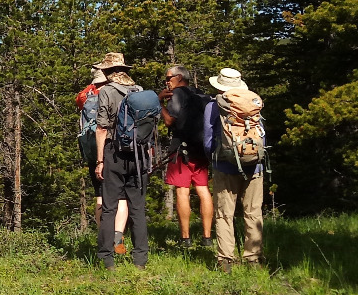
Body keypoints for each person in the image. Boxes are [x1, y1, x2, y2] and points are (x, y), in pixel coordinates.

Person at [91, 52, 155, 269]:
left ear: (108, 72)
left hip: (114, 152)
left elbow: (101, 127)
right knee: (137, 208)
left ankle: (106, 259)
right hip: (139, 155)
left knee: (109, 208)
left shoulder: (106, 92)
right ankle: (140, 260)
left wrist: (100, 160)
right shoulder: (139, 91)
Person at [204, 67, 266, 272]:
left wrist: (216, 156)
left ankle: (225, 260)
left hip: (224, 165)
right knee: (253, 212)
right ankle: (253, 259)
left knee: (224, 214)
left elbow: (207, 140)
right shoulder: (252, 103)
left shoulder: (213, 106)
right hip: (254, 164)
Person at [158, 65, 213, 249]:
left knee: (182, 191)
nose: (167, 82)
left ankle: (185, 238)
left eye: (168, 78)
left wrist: (159, 103)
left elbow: (169, 121)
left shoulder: (178, 95)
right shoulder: (202, 96)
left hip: (182, 151)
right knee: (203, 190)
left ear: (179, 77)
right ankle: (207, 237)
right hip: (201, 150)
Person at [77, 68, 106, 229]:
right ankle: (118, 235)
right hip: (110, 151)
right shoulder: (113, 93)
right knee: (119, 197)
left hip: (92, 153)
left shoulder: (87, 95)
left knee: (100, 196)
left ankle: (103, 235)